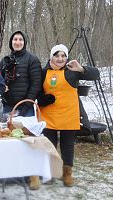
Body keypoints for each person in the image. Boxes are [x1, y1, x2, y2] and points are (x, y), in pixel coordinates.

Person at [37, 44, 100, 187]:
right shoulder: (43, 72)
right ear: (51, 57)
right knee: (49, 145)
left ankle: (67, 174)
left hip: (68, 114)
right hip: (48, 115)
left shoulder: (73, 70)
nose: (60, 59)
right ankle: (51, 172)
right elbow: (36, 90)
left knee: (67, 146)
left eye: (63, 56)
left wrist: (82, 69)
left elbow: (96, 74)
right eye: (57, 55)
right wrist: (41, 98)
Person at [0, 31, 42, 117]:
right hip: (8, 106)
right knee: (7, 130)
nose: (17, 42)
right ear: (11, 42)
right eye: (15, 39)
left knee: (24, 131)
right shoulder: (5, 60)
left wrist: (26, 107)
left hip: (26, 108)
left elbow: (36, 85)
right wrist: (2, 86)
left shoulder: (32, 60)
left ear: (24, 42)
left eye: (20, 40)